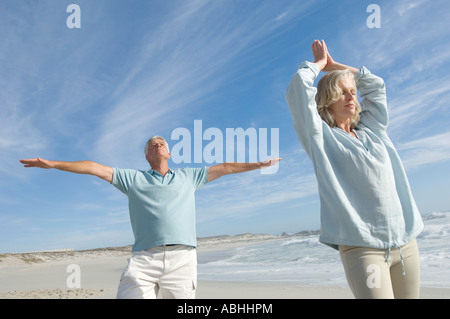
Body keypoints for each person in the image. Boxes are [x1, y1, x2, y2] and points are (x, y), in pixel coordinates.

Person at [20, 135, 281, 299]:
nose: (157, 144)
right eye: (151, 145)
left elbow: (224, 167)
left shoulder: (189, 176)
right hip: (144, 258)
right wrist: (53, 164)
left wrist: (257, 165)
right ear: (147, 156)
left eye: (162, 143)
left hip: (183, 258)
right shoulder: (133, 179)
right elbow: (94, 167)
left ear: (169, 153)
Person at [285, 40, 423, 299]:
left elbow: (376, 85)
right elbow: (297, 90)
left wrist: (338, 68)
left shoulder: (374, 130)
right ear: (327, 100)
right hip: (363, 248)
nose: (351, 96)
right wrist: (319, 66)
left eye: (352, 91)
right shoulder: (322, 139)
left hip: (406, 242)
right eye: (342, 92)